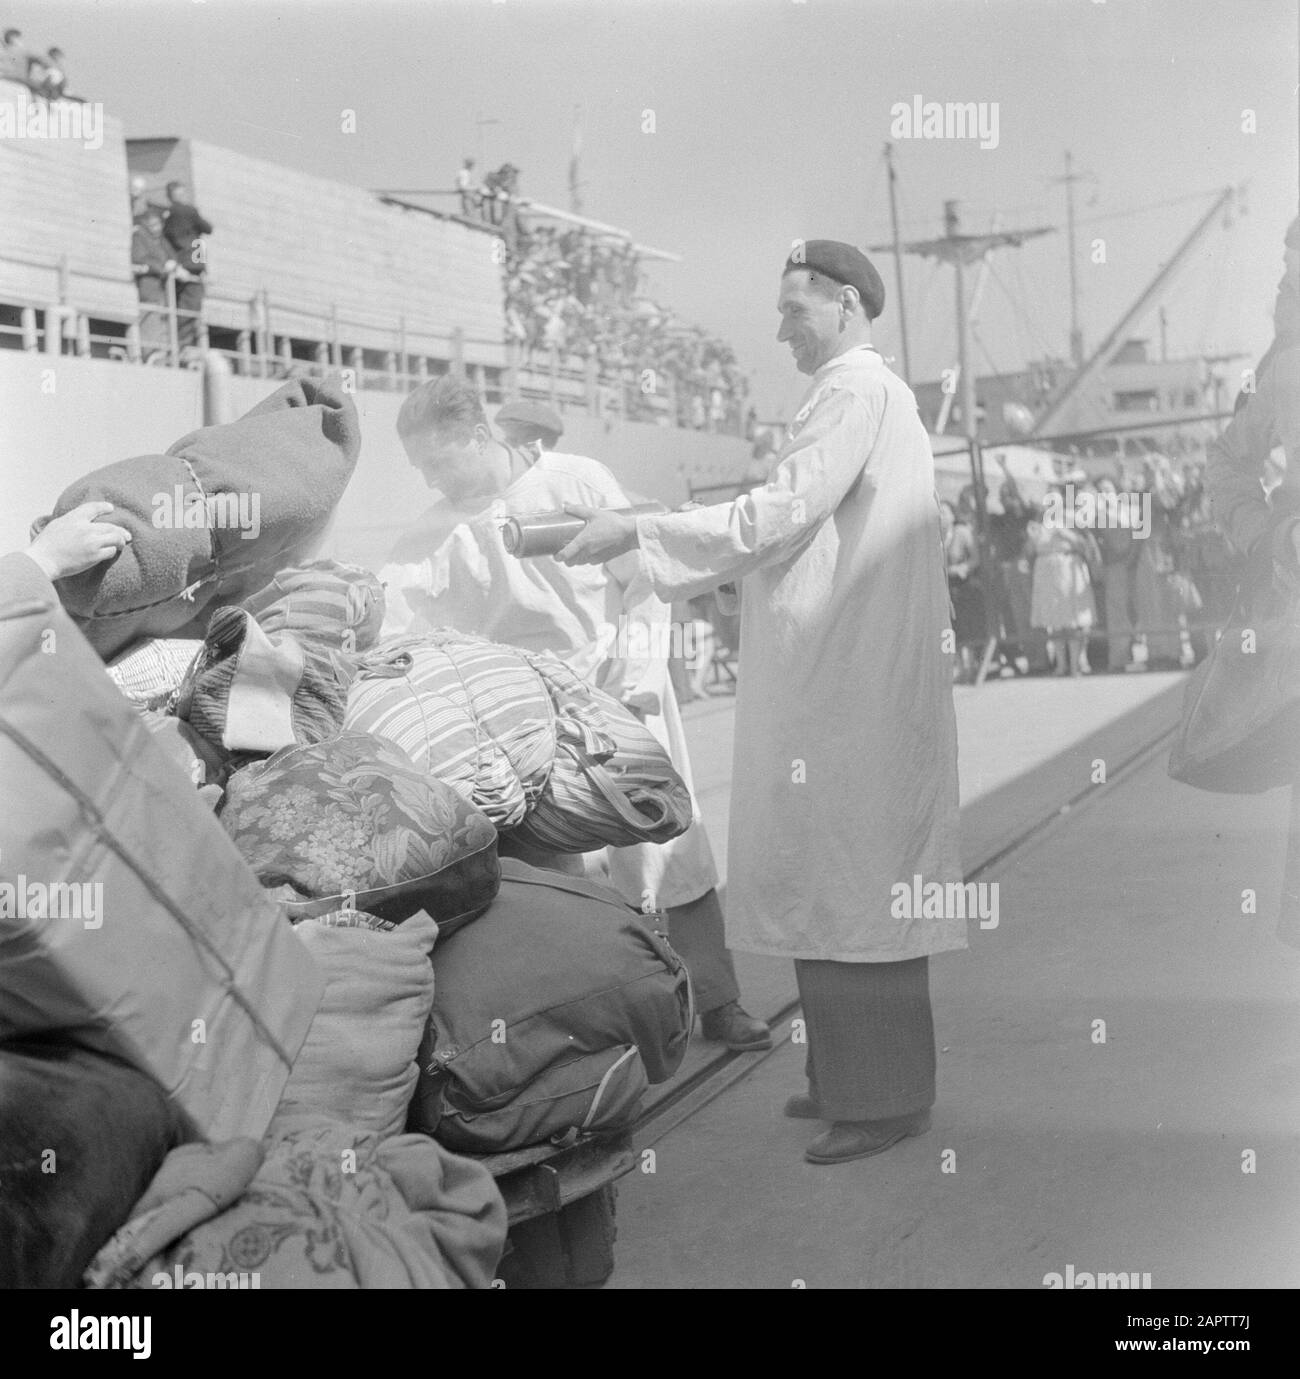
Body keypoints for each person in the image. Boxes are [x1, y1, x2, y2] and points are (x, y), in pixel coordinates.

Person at [555, 240, 964, 1165]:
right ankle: (846, 1079)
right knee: (834, 877)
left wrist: (643, 528)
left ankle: (885, 1097)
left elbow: (778, 513)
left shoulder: (856, 390)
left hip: (851, 685)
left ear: (849, 306)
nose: (780, 330)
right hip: (841, 679)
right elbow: (784, 513)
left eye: (795, 311)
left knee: (859, 885)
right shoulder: (859, 394)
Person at [379, 376, 772, 1052]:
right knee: (563, 875)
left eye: (439, 460)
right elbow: (392, 615)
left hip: (615, 687)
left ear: (479, 436)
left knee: (668, 849)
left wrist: (639, 672)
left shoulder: (577, 484)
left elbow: (645, 576)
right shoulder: (432, 533)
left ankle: (719, 999)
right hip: (519, 719)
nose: (432, 479)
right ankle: (603, 1022)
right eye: (420, 468)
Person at [1028, 484, 1098, 676]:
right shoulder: (1038, 523)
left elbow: (1086, 544)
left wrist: (1064, 532)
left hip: (1068, 567)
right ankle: (1061, 665)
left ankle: (1076, 664)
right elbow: (1034, 549)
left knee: (1073, 619)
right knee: (1055, 620)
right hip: (1047, 571)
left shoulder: (1072, 518)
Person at [162, 181, 213, 350]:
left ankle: (179, 345)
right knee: (190, 309)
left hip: (178, 264)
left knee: (178, 308)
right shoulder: (189, 211)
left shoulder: (167, 215)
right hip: (192, 265)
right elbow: (208, 228)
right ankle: (185, 346)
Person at [130, 207, 176, 360]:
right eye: (152, 225)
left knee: (161, 320)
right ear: (145, 224)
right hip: (148, 287)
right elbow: (140, 258)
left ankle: (160, 354)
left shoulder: (161, 241)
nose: (156, 228)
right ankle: (149, 354)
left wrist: (173, 264)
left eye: (158, 224)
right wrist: (163, 267)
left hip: (162, 290)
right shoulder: (139, 236)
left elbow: (172, 256)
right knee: (149, 318)